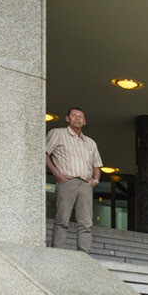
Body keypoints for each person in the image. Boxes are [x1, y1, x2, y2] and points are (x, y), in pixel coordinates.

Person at [45, 107, 102, 251]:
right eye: (74, 115)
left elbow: (97, 165)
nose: (77, 118)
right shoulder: (57, 133)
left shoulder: (90, 142)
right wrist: (56, 174)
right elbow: (44, 154)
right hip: (66, 182)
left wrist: (95, 180)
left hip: (85, 185)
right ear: (67, 118)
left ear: (85, 122)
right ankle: (57, 251)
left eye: (80, 117)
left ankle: (84, 253)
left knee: (86, 223)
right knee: (62, 219)